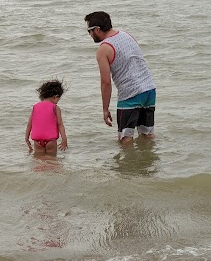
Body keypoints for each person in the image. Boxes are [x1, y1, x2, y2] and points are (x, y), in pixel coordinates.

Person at [85, 11, 156, 143]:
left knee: (125, 139)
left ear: (97, 29)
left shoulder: (103, 49)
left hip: (130, 94)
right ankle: (150, 162)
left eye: (89, 31)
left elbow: (106, 82)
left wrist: (105, 109)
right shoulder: (126, 35)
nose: (89, 35)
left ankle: (128, 164)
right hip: (149, 89)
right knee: (148, 135)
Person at [25, 79, 68, 155]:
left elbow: (29, 124)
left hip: (37, 141)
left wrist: (26, 138)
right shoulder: (55, 108)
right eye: (59, 99)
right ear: (56, 96)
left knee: (39, 162)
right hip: (50, 141)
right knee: (52, 162)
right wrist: (64, 139)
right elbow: (60, 124)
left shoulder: (35, 107)